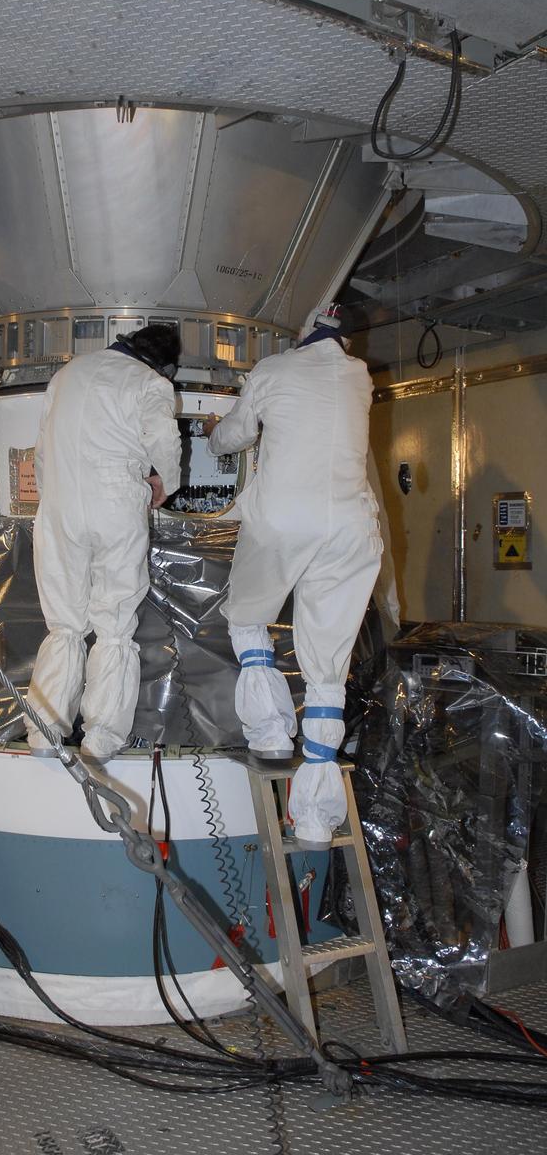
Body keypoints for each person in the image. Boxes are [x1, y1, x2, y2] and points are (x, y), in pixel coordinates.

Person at [205, 302, 383, 848]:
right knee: (329, 660)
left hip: (283, 520)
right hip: (351, 527)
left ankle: (270, 734)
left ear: (303, 333)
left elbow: (234, 437)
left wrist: (213, 434)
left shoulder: (272, 369)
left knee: (247, 616)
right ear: (345, 340)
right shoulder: (359, 375)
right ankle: (315, 819)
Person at [25, 325, 182, 763]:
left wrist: (53, 496)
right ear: (164, 364)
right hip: (116, 503)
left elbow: (41, 449)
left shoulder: (67, 374)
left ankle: (44, 731)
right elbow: (164, 441)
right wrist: (166, 482)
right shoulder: (150, 382)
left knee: (64, 622)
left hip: (59, 505)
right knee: (113, 621)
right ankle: (101, 737)